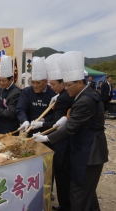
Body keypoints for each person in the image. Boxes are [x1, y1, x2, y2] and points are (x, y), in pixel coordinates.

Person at [33, 51, 108, 211]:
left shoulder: (86, 100)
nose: (66, 89)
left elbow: (71, 126)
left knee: (78, 194)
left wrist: (47, 139)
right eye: (65, 85)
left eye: (68, 85)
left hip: (90, 153)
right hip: (85, 149)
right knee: (87, 193)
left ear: (79, 82)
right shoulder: (84, 95)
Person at [31, 53, 74, 211]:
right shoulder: (61, 95)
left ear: (64, 82)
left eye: (54, 84)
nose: (51, 87)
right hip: (61, 140)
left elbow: (56, 124)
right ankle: (64, 205)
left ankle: (65, 207)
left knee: (63, 179)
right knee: (62, 179)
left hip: (61, 143)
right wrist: (41, 123)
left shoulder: (64, 98)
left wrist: (42, 127)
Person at [16, 56, 56, 137]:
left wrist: (43, 120)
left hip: (47, 132)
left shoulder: (53, 93)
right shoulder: (26, 91)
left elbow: (57, 113)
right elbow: (20, 109)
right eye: (33, 82)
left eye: (38, 83)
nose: (35, 86)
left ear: (46, 81)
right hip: (30, 130)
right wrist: (24, 121)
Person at [0, 55, 21, 134]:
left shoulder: (15, 93)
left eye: (4, 81)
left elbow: (11, 113)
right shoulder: (4, 89)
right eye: (0, 80)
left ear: (11, 79)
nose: (1, 83)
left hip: (9, 129)